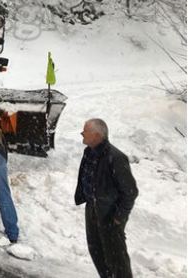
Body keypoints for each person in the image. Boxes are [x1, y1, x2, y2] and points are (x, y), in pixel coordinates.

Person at [75, 118, 138, 278]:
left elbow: (130, 192)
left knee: (116, 259)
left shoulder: (115, 157)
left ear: (96, 135)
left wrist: (118, 218)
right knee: (96, 251)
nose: (82, 133)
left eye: (85, 131)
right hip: (92, 209)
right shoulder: (89, 152)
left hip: (109, 214)